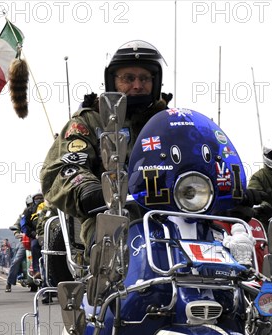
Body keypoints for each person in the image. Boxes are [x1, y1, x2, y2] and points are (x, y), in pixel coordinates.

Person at [40, 40, 173, 248]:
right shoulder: (91, 121)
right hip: (113, 216)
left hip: (175, 214)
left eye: (145, 78)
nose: (137, 85)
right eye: (128, 78)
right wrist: (88, 189)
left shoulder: (171, 122)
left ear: (155, 82)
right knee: (120, 249)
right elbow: (61, 167)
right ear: (112, 81)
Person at [4, 197, 33, 292]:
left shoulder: (43, 212)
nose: (34, 205)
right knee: (16, 260)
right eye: (32, 203)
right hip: (25, 241)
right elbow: (16, 226)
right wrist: (17, 233)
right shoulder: (23, 215)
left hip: (40, 240)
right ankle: (9, 282)